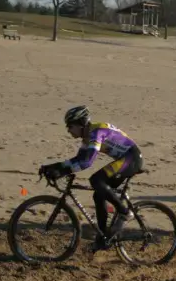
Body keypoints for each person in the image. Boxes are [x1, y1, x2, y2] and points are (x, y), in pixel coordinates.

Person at [39, 105, 144, 252]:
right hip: (125, 158)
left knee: (96, 180)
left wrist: (62, 172)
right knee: (98, 194)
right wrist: (54, 167)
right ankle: (102, 238)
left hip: (131, 159)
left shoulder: (96, 132)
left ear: (80, 123)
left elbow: (87, 162)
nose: (68, 130)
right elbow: (78, 159)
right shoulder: (87, 136)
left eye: (70, 126)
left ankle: (125, 212)